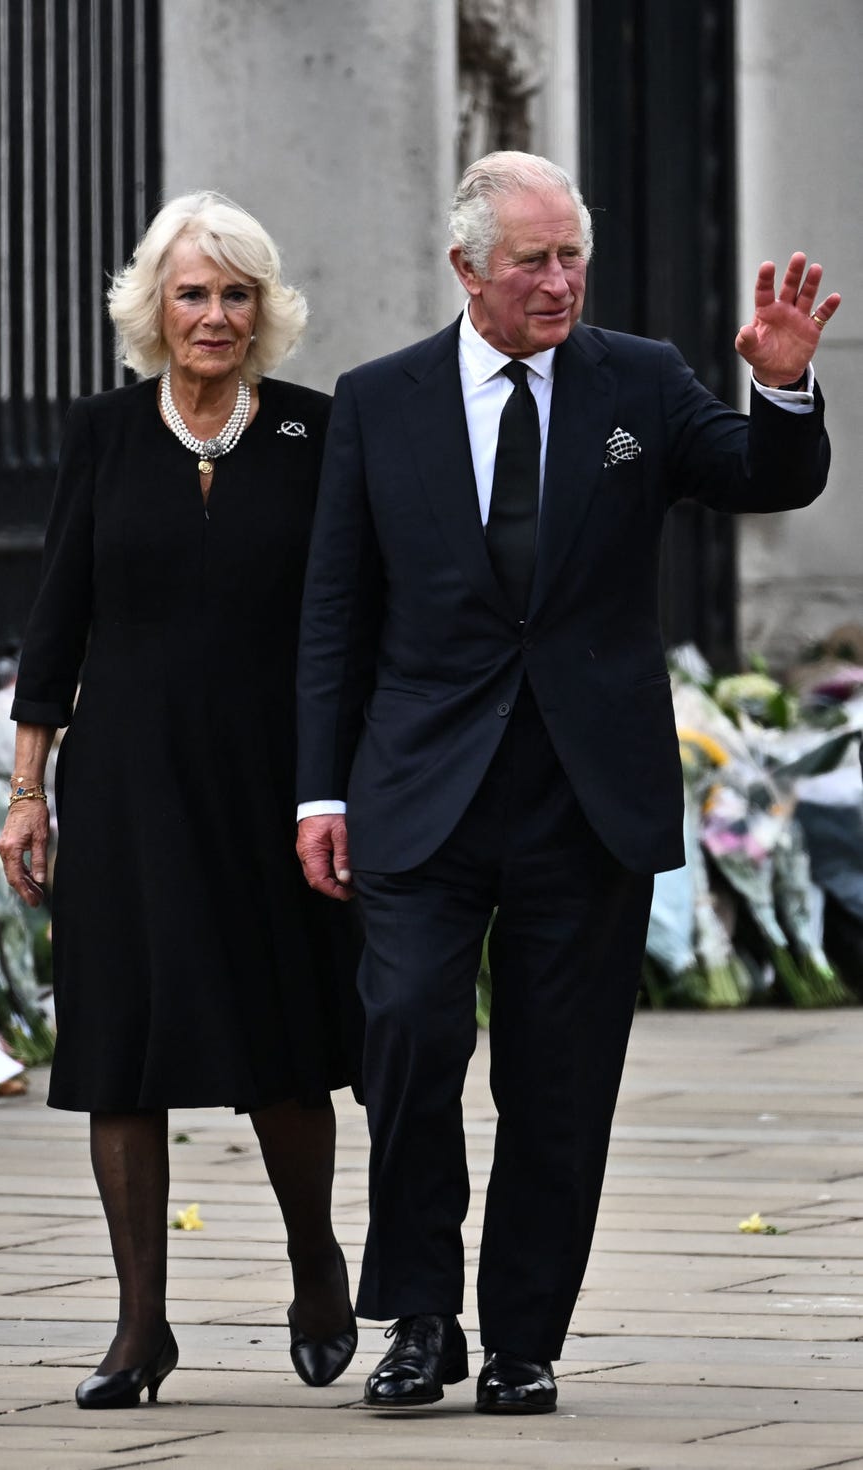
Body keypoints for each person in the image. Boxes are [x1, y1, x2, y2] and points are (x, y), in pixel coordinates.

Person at [296, 151, 840, 1415]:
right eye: (533, 261)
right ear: (466, 272)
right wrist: (319, 793)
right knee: (411, 1040)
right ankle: (418, 1318)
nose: (558, 281)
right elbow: (333, 617)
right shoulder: (380, 402)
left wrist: (782, 385)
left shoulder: (636, 380)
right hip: (419, 790)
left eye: (570, 256)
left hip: (581, 797)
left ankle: (522, 1337)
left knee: (557, 1079)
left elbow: (767, 478)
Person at [0, 191, 362, 1409]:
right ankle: (138, 1327)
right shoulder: (103, 432)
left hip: (270, 784)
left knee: (278, 1046)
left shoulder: (320, 431)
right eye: (194, 292)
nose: (215, 314)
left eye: (237, 293)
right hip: (128, 779)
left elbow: (355, 616)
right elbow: (58, 615)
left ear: (266, 309)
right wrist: (26, 787)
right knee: (120, 1052)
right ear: (155, 305)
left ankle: (316, 1267)